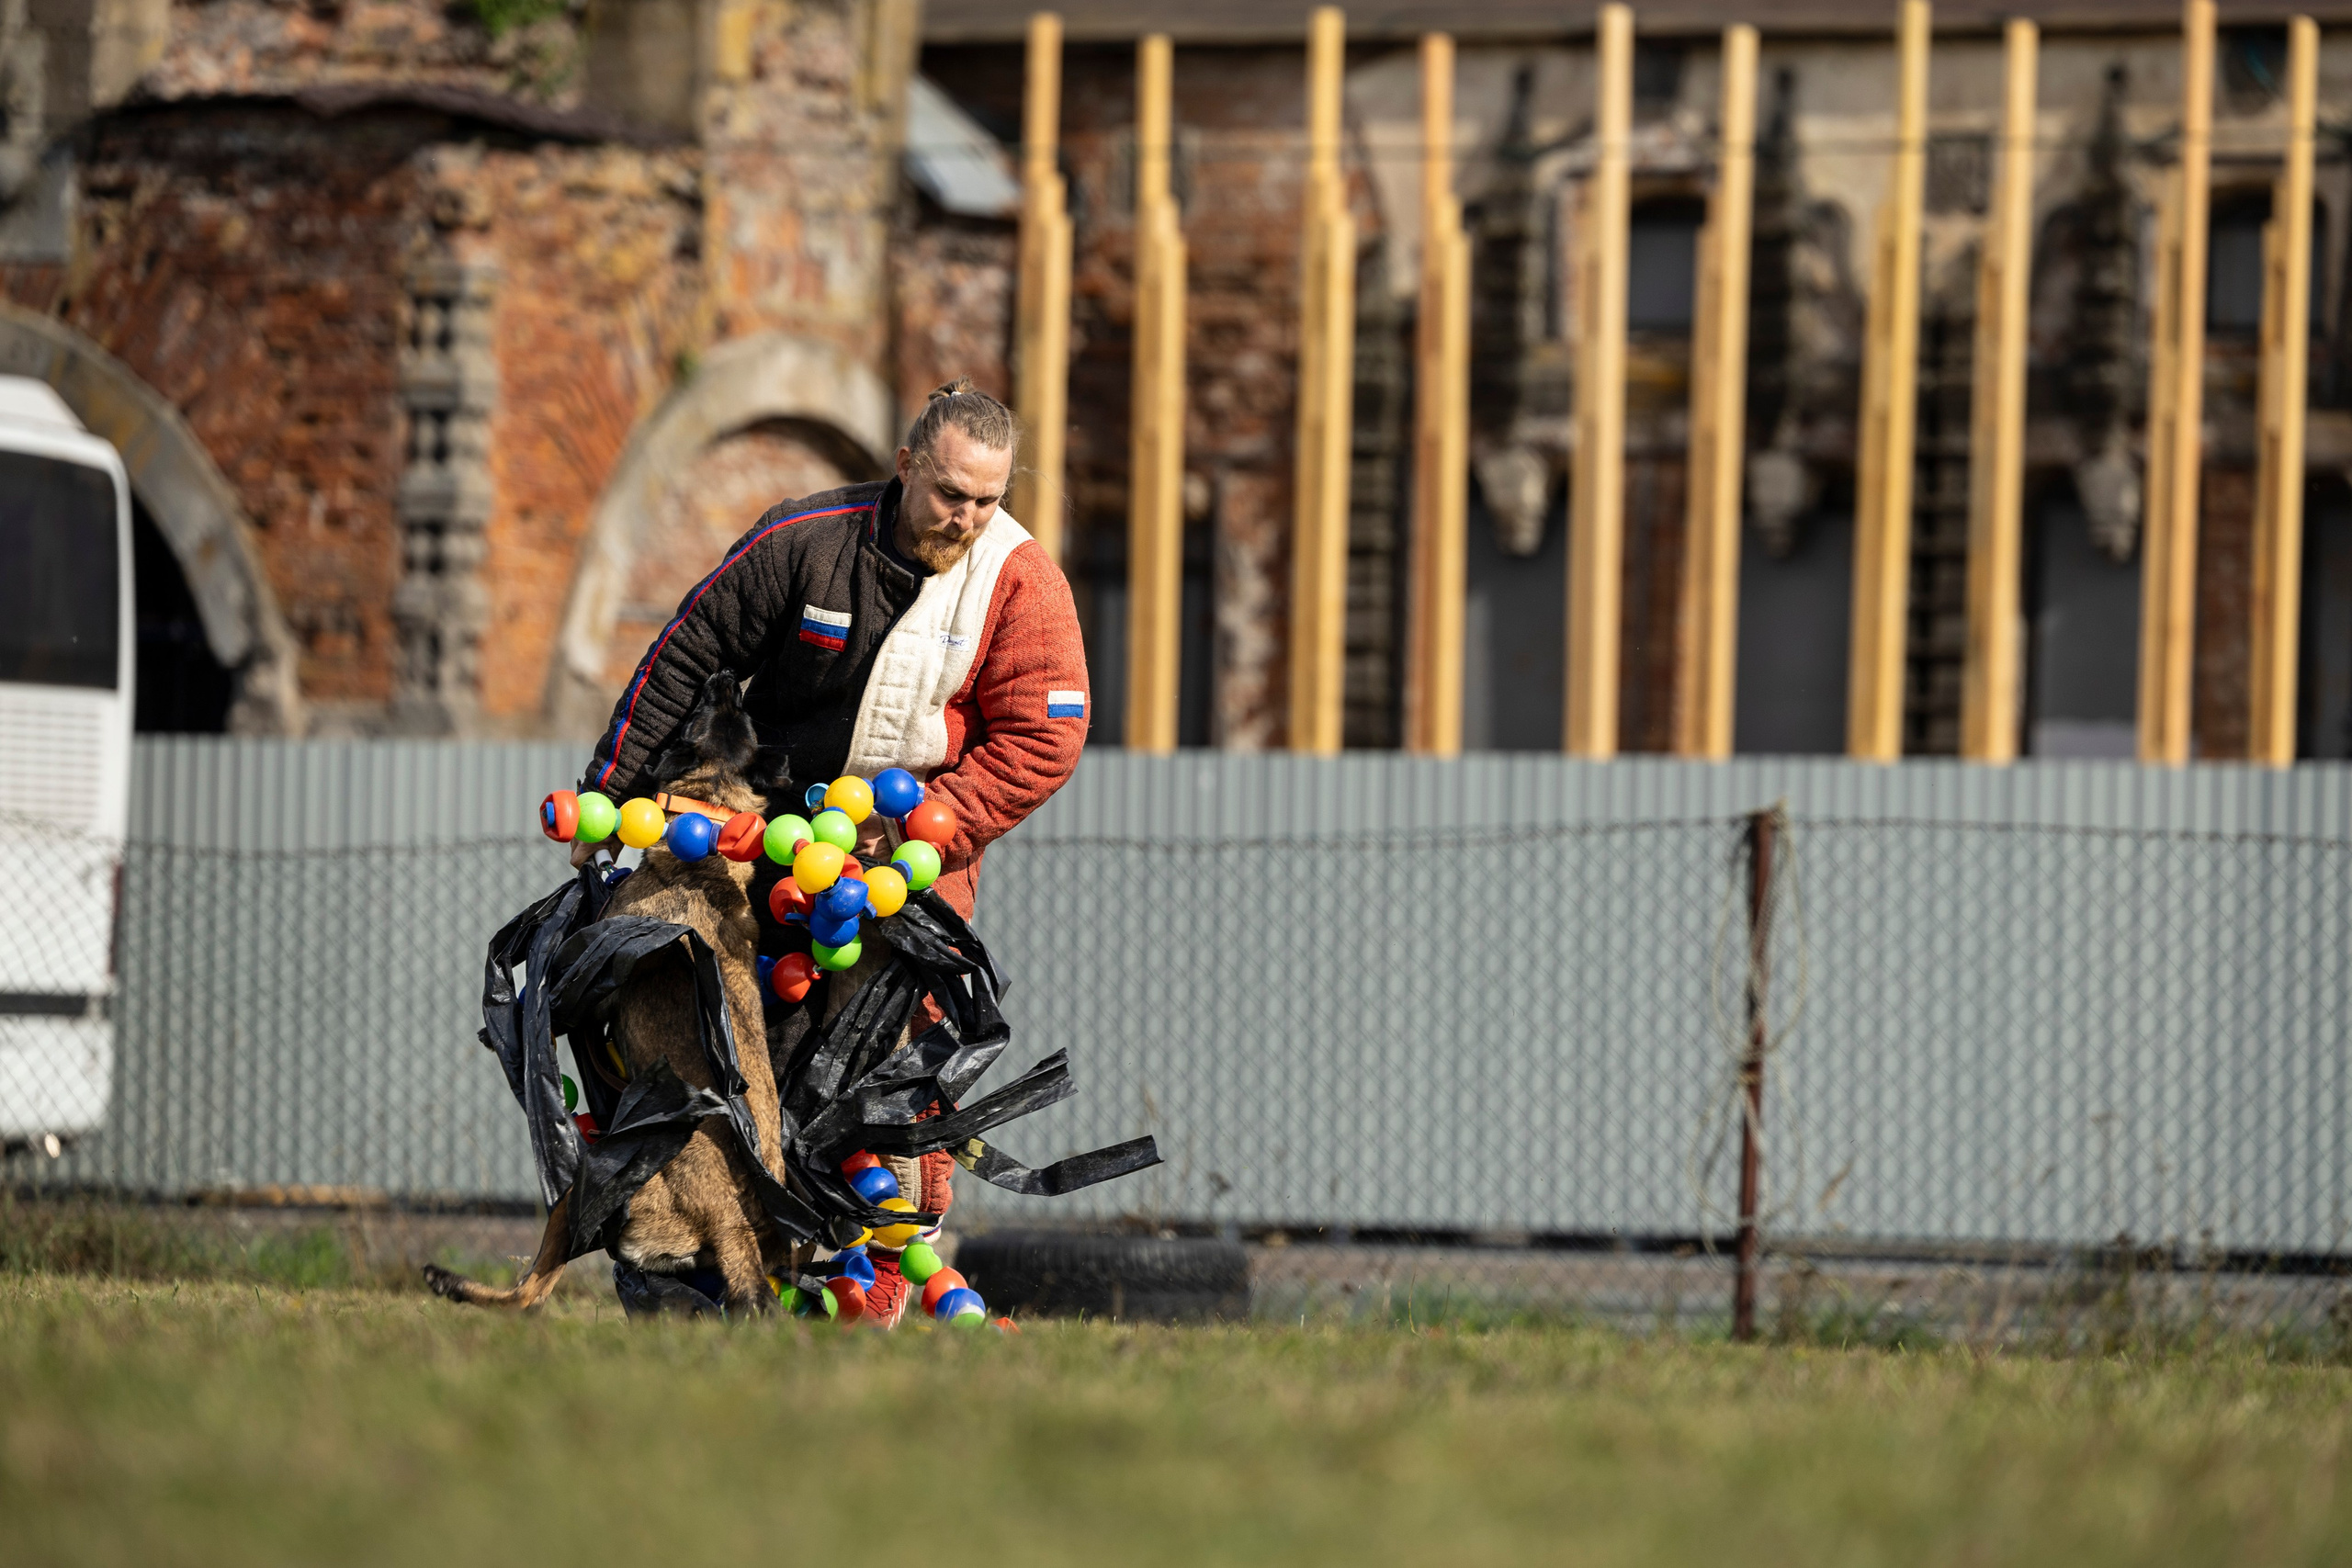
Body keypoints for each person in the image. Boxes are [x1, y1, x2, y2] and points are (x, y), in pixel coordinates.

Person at [571, 379, 1090, 1323]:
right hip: (761, 850)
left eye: (987, 499)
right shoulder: (804, 543)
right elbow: (686, 655)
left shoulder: (1023, 584)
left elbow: (1046, 736)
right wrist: (609, 796)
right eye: (949, 494)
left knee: (890, 1074)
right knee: (712, 1041)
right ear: (905, 466)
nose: (967, 518)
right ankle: (687, 1266)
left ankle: (876, 1285)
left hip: (908, 865)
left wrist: (936, 819)